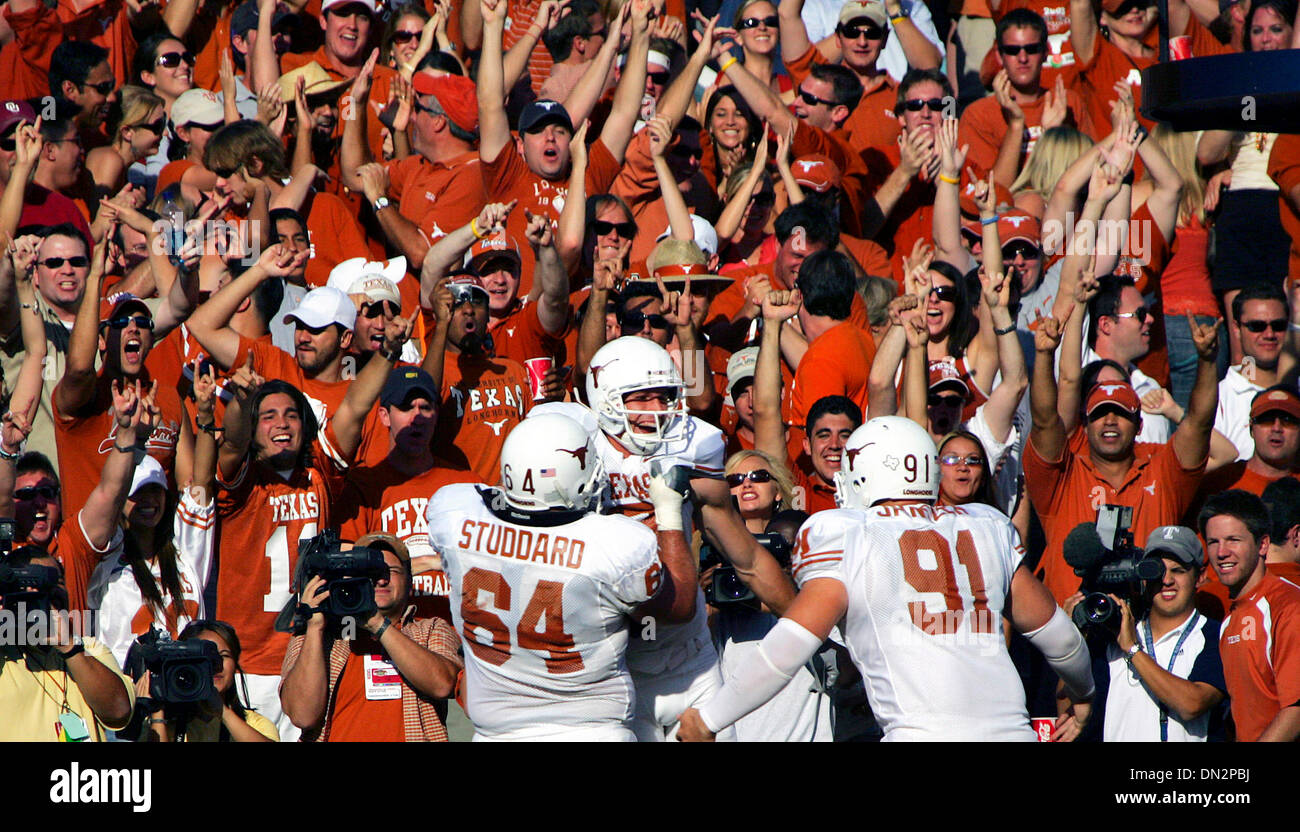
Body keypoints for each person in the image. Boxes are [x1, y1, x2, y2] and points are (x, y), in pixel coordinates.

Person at [677, 416, 1095, 741]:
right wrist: (1083, 693)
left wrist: (711, 718)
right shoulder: (983, 526)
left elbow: (787, 647)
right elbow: (1061, 640)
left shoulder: (848, 534)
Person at [534, 336, 796, 740]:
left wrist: (805, 628)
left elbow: (748, 559)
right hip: (613, 671)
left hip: (690, 662)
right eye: (642, 398)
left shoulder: (691, 450)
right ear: (604, 400)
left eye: (665, 397)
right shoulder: (571, 454)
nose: (659, 411)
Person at [426, 412, 689, 741]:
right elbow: (679, 607)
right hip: (589, 731)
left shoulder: (455, 513)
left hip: (494, 734)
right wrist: (669, 513)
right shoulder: (615, 545)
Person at [1026, 308, 1218, 604]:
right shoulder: (1062, 476)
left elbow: (1199, 424)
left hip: (1148, 628)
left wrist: (1206, 361)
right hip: (1074, 631)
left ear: (1140, 425)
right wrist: (1043, 356)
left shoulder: (1161, 467)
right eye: (1101, 414)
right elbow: (1043, 421)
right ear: (1086, 424)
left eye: (1122, 414)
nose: (1111, 421)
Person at [279, 532, 463, 741]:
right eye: (370, 571)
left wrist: (376, 623)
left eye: (391, 571)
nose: (381, 579)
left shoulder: (431, 629)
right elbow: (302, 716)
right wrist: (314, 628)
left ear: (409, 581)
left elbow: (443, 685)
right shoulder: (318, 634)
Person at [1086, 526, 1227, 742]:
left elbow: (1193, 704)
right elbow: (1070, 704)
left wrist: (1133, 650)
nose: (1166, 580)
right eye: (1156, 570)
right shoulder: (1113, 635)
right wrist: (1073, 639)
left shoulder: (1217, 635)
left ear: (1200, 577)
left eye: (1178, 570)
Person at [0, 546, 136, 741]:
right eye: (33, 585)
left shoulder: (89, 648)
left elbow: (118, 711)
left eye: (57, 582)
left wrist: (69, 647)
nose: (48, 593)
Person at [1199, 489, 1300, 741]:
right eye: (1213, 542)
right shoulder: (1229, 619)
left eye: (1233, 540)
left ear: (1263, 544)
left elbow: (1296, 710)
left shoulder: (1288, 606)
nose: (1221, 552)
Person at [139, 619, 279, 742]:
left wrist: (222, 711)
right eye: (205, 658)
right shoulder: (160, 724)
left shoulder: (254, 724)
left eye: (224, 656)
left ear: (235, 664)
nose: (215, 665)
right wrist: (157, 713)